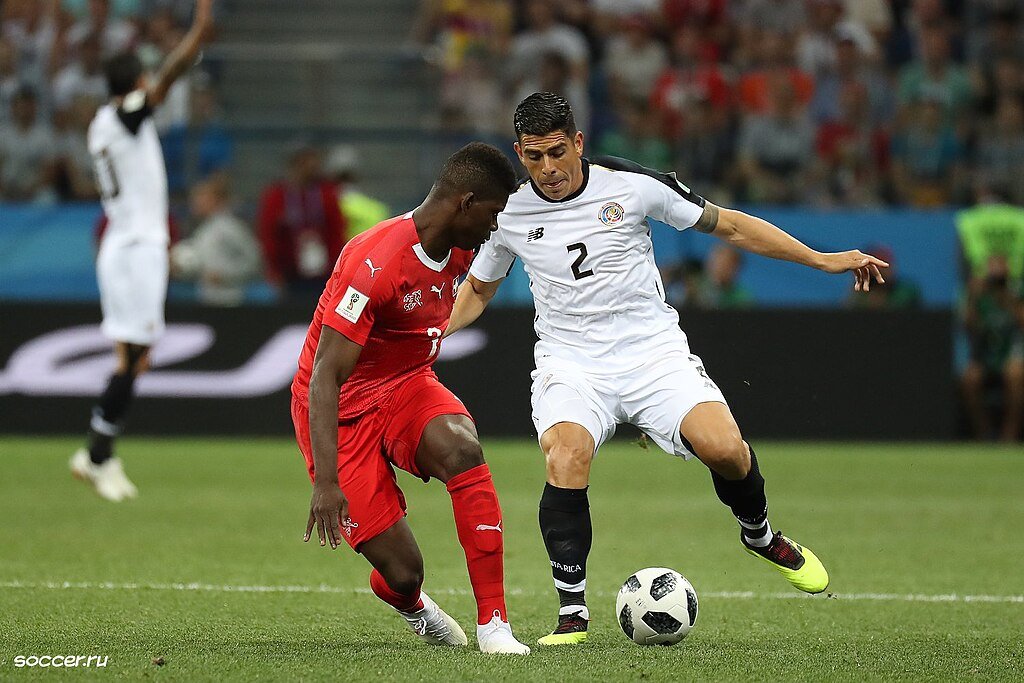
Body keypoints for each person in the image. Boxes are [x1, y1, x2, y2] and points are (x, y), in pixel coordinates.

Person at [446, 92, 888, 646]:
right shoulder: (509, 211)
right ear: (519, 153)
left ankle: (760, 535)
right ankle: (573, 613)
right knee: (566, 455)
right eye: (534, 157)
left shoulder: (633, 186)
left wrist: (822, 260)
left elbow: (730, 227)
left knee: (726, 450)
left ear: (578, 142)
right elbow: (478, 289)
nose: (548, 168)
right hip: (571, 362)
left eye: (557, 152)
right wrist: (429, 334)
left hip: (652, 353)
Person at [293, 142, 530, 655]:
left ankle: (494, 625)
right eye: (492, 214)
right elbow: (325, 377)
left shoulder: (462, 245)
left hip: (405, 383)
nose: (494, 227)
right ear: (465, 203)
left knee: (462, 448)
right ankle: (412, 605)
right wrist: (327, 483)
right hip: (343, 408)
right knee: (403, 572)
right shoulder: (374, 263)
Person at [69, 0, 212, 501]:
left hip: (130, 245)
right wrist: (198, 32)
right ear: (136, 83)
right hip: (134, 248)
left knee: (134, 358)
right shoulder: (119, 117)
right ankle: (97, 456)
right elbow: (167, 80)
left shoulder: (108, 124)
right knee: (133, 359)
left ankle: (97, 453)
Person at [170, 174, 262, 306]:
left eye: (202, 197)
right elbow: (197, 263)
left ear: (216, 200)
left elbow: (254, 259)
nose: (196, 201)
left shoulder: (230, 226)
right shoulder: (204, 229)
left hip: (231, 299)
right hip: (207, 298)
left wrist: (225, 275)